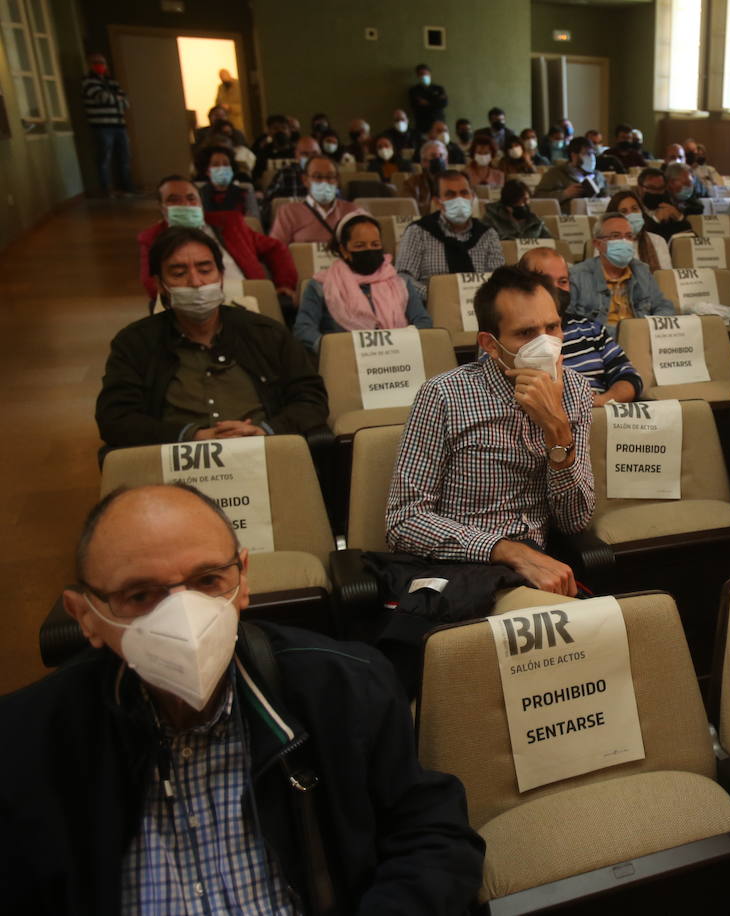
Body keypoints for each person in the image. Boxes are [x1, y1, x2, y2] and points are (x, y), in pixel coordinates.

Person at [0, 483, 485, 912]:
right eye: (141, 595)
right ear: (84, 615)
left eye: (208, 581)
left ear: (243, 580)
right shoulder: (24, 745)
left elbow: (431, 834)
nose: (183, 618)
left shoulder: (346, 686)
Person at [386, 266, 594, 599]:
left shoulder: (575, 390)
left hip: (537, 569)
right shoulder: (444, 395)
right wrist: (505, 550)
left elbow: (574, 521)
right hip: (463, 568)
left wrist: (557, 430)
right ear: (491, 345)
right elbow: (403, 522)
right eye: (526, 333)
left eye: (552, 327)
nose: (546, 344)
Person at [100, 228, 327, 449]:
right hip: (177, 466)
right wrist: (192, 436)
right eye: (179, 273)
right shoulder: (135, 343)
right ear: (160, 285)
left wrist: (265, 430)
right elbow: (115, 419)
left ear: (221, 277)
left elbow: (311, 399)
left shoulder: (266, 333)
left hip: (262, 452)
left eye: (205, 270)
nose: (196, 282)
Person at [138, 176, 294, 304]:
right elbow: (151, 283)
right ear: (161, 206)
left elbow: (275, 248)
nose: (185, 204)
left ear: (201, 203)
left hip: (245, 296)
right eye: (174, 200)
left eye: (191, 198)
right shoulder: (152, 238)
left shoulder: (230, 223)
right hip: (190, 303)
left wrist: (284, 284)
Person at [295, 213, 432, 353]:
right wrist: (334, 350)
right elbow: (303, 329)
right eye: (360, 246)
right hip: (346, 361)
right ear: (344, 250)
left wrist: (404, 343)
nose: (369, 250)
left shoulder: (401, 282)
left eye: (375, 244)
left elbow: (423, 321)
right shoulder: (321, 286)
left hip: (400, 357)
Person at [521, 248, 642, 406]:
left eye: (563, 281)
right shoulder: (513, 335)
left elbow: (630, 378)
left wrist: (600, 401)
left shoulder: (592, 330)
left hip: (599, 416)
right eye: (545, 281)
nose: (555, 289)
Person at [396, 169, 504, 299]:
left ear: (473, 197)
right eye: (450, 194)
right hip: (432, 309)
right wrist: (436, 297)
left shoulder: (487, 234)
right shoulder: (418, 231)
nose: (459, 199)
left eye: (464, 193)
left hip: (479, 310)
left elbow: (498, 279)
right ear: (437, 202)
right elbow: (403, 277)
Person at [567, 213, 675, 332]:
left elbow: (663, 306)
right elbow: (568, 322)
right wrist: (622, 334)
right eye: (616, 236)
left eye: (629, 236)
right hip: (600, 346)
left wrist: (651, 329)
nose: (624, 241)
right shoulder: (577, 276)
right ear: (597, 244)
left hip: (641, 340)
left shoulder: (641, 270)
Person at [269, 155, 365, 245]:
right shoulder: (288, 212)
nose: (324, 182)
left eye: (330, 177)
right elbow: (275, 251)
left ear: (337, 180)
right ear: (305, 180)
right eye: (317, 177)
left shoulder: (354, 211)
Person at [81, 52, 133, 197]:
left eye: (102, 62)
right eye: (96, 62)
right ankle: (106, 190)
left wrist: (115, 98)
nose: (100, 65)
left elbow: (126, 102)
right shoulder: (88, 82)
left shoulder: (112, 82)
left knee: (125, 158)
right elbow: (102, 98)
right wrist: (117, 98)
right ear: (90, 65)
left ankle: (127, 188)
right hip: (102, 126)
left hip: (119, 125)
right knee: (104, 159)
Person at [533, 137, 608, 213]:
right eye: (587, 154)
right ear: (574, 155)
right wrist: (565, 194)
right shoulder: (555, 173)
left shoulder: (598, 175)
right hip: (568, 218)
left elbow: (607, 196)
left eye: (593, 153)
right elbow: (538, 197)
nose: (591, 158)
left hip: (594, 215)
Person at [195, 146, 261, 223]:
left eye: (226, 164)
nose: (221, 168)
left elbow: (253, 221)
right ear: (207, 171)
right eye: (216, 165)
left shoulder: (245, 192)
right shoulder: (199, 194)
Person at [608, 189, 668, 271]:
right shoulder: (605, 244)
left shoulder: (657, 241)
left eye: (634, 209)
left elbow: (666, 277)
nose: (631, 214)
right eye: (624, 211)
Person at [485, 179, 552, 241]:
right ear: (510, 205)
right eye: (523, 201)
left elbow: (551, 242)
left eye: (528, 199)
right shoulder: (491, 220)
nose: (527, 203)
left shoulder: (536, 222)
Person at [263, 136, 320, 207]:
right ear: (296, 155)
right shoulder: (285, 173)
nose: (310, 158)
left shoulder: (327, 174)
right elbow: (268, 201)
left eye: (314, 154)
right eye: (305, 154)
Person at [636, 168, 692, 239]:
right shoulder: (632, 209)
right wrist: (655, 220)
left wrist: (679, 218)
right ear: (640, 188)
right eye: (651, 187)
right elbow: (637, 238)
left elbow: (691, 239)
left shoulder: (669, 206)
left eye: (660, 188)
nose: (656, 192)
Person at [401, 140, 449, 212]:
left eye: (441, 156)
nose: (438, 159)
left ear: (446, 161)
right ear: (424, 162)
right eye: (433, 156)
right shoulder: (412, 183)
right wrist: (433, 205)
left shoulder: (456, 181)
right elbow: (409, 209)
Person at [409, 63, 447, 133]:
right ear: (417, 76)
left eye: (425, 73)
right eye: (421, 74)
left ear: (430, 74)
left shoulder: (438, 89)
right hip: (422, 124)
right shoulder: (414, 90)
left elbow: (443, 104)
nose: (424, 76)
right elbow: (415, 106)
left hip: (438, 122)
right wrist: (435, 101)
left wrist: (427, 103)